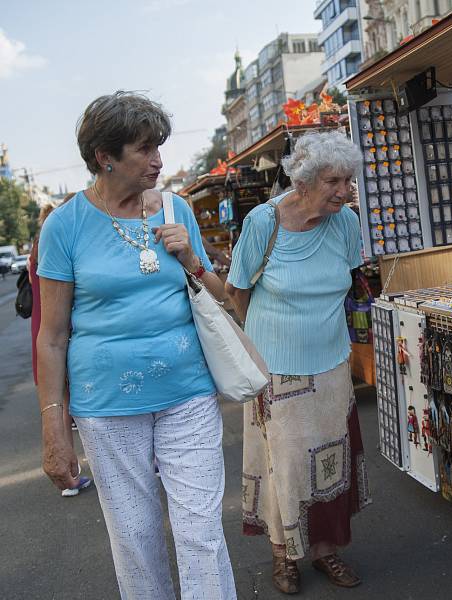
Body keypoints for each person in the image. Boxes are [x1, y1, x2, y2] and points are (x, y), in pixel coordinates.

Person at [37, 91, 236, 599]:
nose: (159, 160)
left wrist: (191, 255)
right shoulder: (66, 225)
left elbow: (223, 298)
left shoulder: (177, 208)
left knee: (201, 533)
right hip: (106, 406)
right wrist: (55, 428)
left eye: (159, 146)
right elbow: (53, 335)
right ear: (105, 156)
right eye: (145, 149)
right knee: (136, 538)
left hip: (188, 392)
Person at [226, 130, 371, 595]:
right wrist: (261, 351)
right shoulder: (262, 223)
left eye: (349, 180)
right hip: (277, 373)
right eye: (335, 181)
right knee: (283, 467)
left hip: (331, 365)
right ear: (304, 180)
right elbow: (236, 291)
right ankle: (283, 555)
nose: (346, 191)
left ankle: (327, 549)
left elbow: (347, 279)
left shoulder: (346, 223)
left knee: (330, 461)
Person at [30, 194, 92, 497]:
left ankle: (71, 470)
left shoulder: (37, 244)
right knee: (67, 398)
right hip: (59, 327)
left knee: (65, 398)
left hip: (43, 326)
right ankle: (72, 470)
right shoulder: (58, 238)